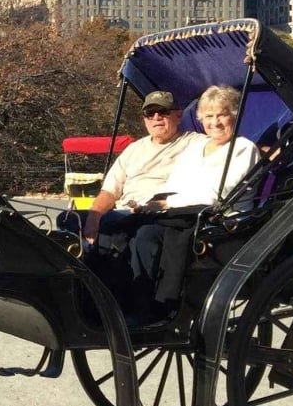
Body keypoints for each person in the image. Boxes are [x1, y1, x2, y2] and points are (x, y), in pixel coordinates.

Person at [129, 84, 262, 311]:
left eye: (222, 115)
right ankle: (132, 300)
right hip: (186, 213)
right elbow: (174, 183)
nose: (215, 122)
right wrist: (148, 203)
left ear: (234, 116)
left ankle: (161, 304)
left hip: (221, 222)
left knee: (149, 234)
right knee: (131, 230)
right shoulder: (196, 147)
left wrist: (167, 203)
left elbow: (217, 194)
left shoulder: (243, 148)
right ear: (201, 119)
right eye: (209, 116)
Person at [82, 90, 202, 244]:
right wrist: (94, 217)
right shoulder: (134, 149)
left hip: (158, 215)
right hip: (123, 211)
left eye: (163, 111)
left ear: (178, 116)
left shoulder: (195, 143)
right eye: (150, 113)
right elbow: (110, 191)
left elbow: (221, 141)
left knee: (135, 234)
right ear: (145, 119)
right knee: (68, 220)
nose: (156, 117)